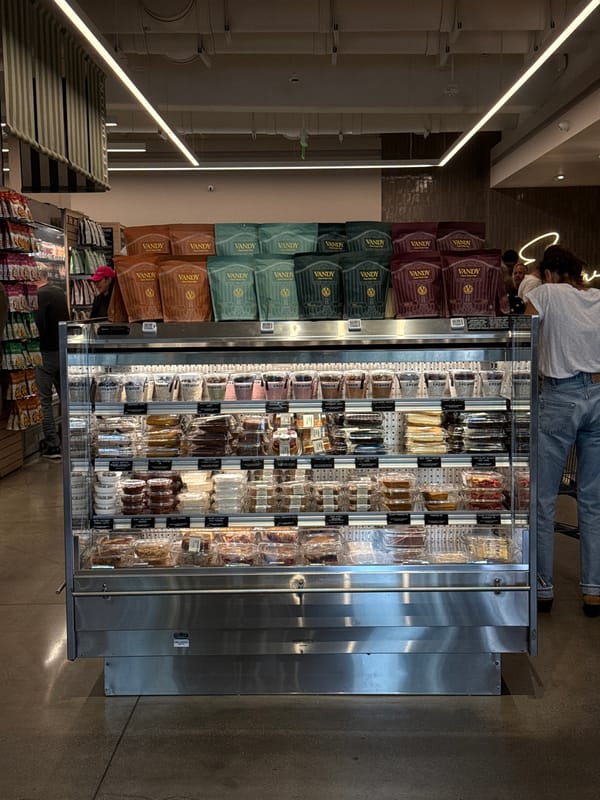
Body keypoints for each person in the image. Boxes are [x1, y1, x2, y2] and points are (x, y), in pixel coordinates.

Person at [525, 245, 600, 617]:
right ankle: (593, 591)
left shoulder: (545, 293)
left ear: (550, 273)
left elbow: (525, 338)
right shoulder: (598, 297)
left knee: (543, 499)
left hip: (560, 395)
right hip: (599, 395)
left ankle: (543, 588)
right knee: (592, 499)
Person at [34, 268, 70, 460]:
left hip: (46, 354)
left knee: (44, 400)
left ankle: (53, 446)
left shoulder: (40, 295)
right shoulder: (58, 292)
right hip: (62, 351)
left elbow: (38, 326)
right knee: (65, 398)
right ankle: (69, 440)